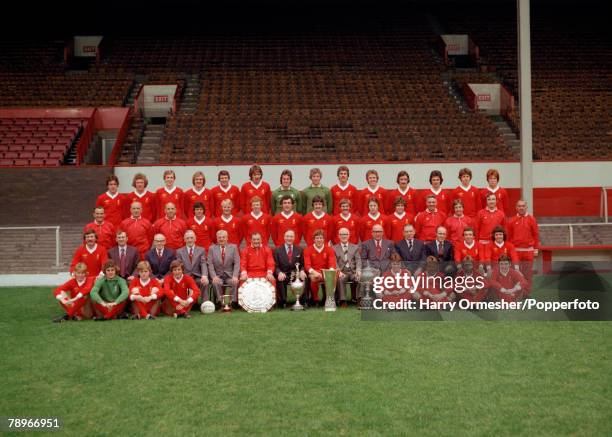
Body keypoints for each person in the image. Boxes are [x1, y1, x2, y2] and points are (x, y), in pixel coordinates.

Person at [507, 200, 540, 295]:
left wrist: (536, 248)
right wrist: (509, 251)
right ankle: (515, 294)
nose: (521, 208)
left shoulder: (532, 219)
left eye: (523, 206)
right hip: (515, 251)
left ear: (526, 207)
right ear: (516, 208)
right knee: (515, 273)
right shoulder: (511, 220)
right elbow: (508, 237)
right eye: (519, 206)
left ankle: (526, 294)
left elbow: (536, 235)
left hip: (528, 251)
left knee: (527, 274)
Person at [273, 230, 307, 308]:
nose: (289, 238)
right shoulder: (277, 250)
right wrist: (279, 272)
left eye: (291, 236)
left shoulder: (300, 250)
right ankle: (283, 302)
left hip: (296, 274)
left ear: (294, 238)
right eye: (287, 236)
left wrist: (302, 271)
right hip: (283, 273)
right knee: (280, 278)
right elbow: (275, 265)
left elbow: (303, 264)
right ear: (284, 237)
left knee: (305, 277)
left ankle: (303, 301)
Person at [303, 230, 337, 304]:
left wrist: (329, 273)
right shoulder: (307, 250)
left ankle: (328, 299)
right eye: (317, 238)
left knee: (332, 277)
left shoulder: (329, 249)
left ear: (324, 239)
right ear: (314, 239)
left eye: (321, 238)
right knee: (314, 278)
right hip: (314, 271)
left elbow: (332, 263)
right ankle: (315, 299)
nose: (319, 240)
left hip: (325, 271)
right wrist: (314, 272)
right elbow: (307, 265)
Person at [207, 230, 240, 303]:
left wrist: (235, 276)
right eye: (219, 237)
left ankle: (233, 302)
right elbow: (210, 264)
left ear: (227, 238)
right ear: (217, 238)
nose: (221, 239)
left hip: (230, 276)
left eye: (223, 237)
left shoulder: (234, 247)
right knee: (215, 283)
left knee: (235, 282)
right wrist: (214, 276)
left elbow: (237, 263)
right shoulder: (211, 249)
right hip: (218, 276)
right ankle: (220, 301)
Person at [175, 230, 209, 300]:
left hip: (197, 276)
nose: (190, 240)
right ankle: (191, 303)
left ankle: (205, 303)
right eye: (187, 238)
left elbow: (203, 263)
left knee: (204, 282)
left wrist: (204, 275)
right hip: (185, 277)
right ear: (184, 240)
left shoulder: (201, 250)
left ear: (195, 238)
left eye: (191, 238)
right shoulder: (179, 251)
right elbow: (179, 266)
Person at [333, 227, 361, 307]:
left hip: (353, 272)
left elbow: (358, 260)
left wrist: (358, 271)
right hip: (342, 272)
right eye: (341, 234)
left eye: (345, 234)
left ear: (349, 235)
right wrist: (339, 272)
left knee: (360, 278)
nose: (344, 236)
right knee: (340, 279)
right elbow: (334, 262)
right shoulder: (334, 248)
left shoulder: (355, 247)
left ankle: (359, 299)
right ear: (338, 236)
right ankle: (343, 300)